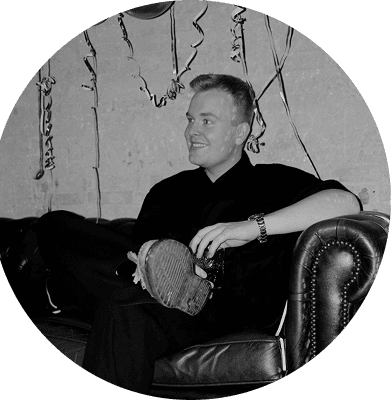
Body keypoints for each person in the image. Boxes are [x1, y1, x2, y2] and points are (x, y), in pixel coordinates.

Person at [35, 74, 361, 394]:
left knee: (122, 305)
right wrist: (145, 267)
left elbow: (346, 202)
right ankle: (162, 279)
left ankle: (183, 284)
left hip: (222, 311)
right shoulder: (166, 192)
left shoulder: (275, 182)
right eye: (191, 120)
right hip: (154, 304)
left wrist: (252, 227)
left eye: (207, 121)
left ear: (240, 132)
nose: (192, 130)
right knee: (55, 226)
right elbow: (132, 248)